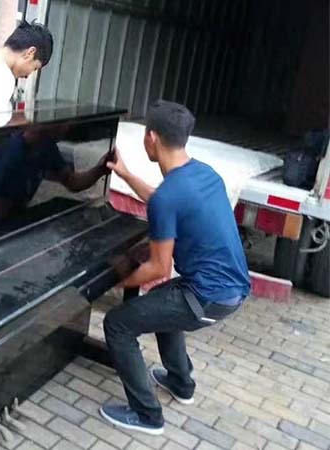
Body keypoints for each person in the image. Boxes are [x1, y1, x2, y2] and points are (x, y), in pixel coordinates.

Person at [99, 100, 250, 435]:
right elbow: (164, 201)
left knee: (118, 324)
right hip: (232, 291)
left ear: (151, 138)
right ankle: (181, 383)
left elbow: (158, 269)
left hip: (208, 297)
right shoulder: (204, 174)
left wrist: (115, 281)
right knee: (164, 304)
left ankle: (147, 415)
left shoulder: (170, 195)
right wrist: (126, 174)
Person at [0, 125, 110, 227]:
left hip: (6, 219)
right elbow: (1, 220)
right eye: (65, 122)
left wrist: (101, 169)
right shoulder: (14, 158)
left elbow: (72, 181)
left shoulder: (46, 147)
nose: (68, 127)